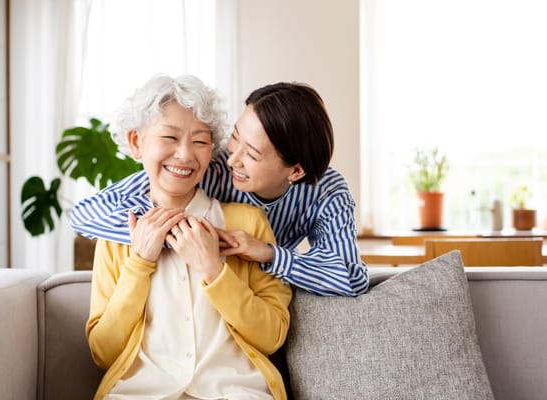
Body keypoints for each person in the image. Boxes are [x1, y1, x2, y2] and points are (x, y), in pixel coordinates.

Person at [86, 74, 291, 399]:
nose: (184, 155)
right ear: (137, 143)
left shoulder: (247, 224)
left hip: (235, 392)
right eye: (169, 137)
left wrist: (215, 270)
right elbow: (104, 351)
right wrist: (139, 264)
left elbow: (272, 336)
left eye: (199, 140)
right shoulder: (115, 232)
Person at [72, 81, 368, 297]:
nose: (233, 159)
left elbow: (351, 278)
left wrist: (268, 254)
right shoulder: (211, 165)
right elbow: (86, 213)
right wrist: (179, 235)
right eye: (235, 138)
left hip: (259, 297)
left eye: (251, 155)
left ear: (296, 171)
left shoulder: (327, 192)